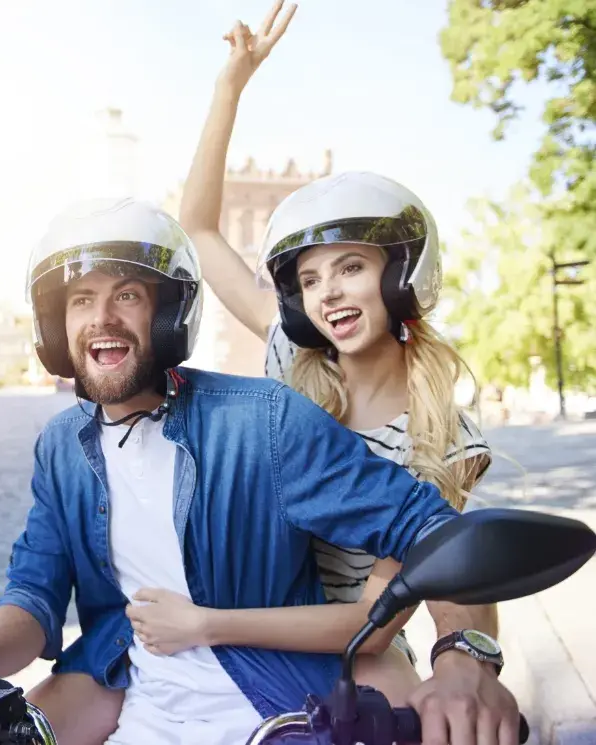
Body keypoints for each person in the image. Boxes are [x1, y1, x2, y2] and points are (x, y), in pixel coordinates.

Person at [0, 198, 518, 745]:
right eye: (81, 300)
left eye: (126, 295)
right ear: (56, 325)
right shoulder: (59, 447)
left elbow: (430, 531)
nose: (102, 317)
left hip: (282, 698)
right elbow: (33, 600)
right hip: (125, 696)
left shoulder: (263, 420)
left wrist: (465, 657)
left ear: (167, 313)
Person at [163, 0, 502, 727]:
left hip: (347, 643)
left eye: (349, 267)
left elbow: (372, 620)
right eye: (309, 280)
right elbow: (196, 226)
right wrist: (230, 86)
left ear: (400, 275)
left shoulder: (444, 437)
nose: (328, 294)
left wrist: (208, 621)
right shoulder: (293, 356)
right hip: (235, 606)